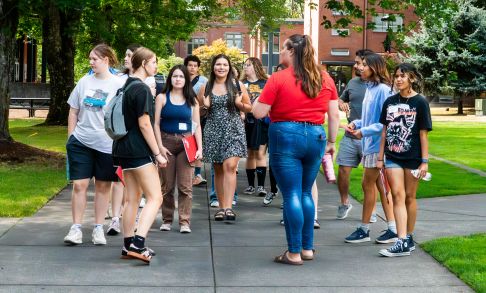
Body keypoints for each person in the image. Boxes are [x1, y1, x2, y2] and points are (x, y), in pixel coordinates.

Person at [253, 34, 339, 265]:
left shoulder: (278, 78)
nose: (280, 52)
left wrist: (255, 101)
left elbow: (259, 112)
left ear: (291, 51)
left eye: (282, 48)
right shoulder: (325, 78)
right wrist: (331, 142)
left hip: (285, 135)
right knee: (305, 192)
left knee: (291, 194)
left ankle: (293, 252)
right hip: (316, 135)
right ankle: (307, 248)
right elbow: (333, 114)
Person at [64, 44, 124, 245]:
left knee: (103, 186)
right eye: (90, 59)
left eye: (94, 59)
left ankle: (98, 228)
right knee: (80, 185)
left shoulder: (117, 85)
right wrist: (71, 138)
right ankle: (76, 229)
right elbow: (73, 110)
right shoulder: (84, 82)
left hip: (107, 145)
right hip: (81, 141)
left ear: (106, 60)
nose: (91, 62)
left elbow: (122, 115)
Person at [112, 47, 167, 264]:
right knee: (156, 197)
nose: (156, 66)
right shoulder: (142, 89)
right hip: (138, 150)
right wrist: (158, 153)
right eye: (153, 62)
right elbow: (145, 124)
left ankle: (127, 245)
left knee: (132, 198)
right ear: (143, 63)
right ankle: (138, 243)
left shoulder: (124, 86)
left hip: (122, 149)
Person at [377, 63, 432, 257]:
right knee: (398, 195)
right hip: (392, 157)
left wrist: (424, 161)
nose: (398, 79)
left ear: (412, 78)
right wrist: (380, 157)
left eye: (403, 76)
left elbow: (423, 134)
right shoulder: (389, 102)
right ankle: (401, 241)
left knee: (410, 196)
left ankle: (408, 237)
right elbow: (384, 132)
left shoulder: (420, 102)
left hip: (413, 158)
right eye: (396, 76)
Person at [344, 53, 397, 244]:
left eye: (364, 65)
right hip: (370, 145)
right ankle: (392, 228)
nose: (360, 68)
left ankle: (365, 229)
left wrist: (363, 131)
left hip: (378, 146)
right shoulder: (370, 88)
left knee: (369, 185)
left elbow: (386, 123)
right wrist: (357, 124)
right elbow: (370, 118)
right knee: (381, 188)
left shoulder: (383, 90)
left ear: (374, 68)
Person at [198, 54, 251, 222]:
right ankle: (221, 207)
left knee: (230, 166)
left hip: (234, 129)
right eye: (218, 64)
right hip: (213, 130)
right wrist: (203, 106)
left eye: (225, 65)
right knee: (218, 169)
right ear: (213, 67)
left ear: (229, 67)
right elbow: (198, 113)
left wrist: (238, 103)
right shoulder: (206, 86)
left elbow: (250, 108)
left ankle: (229, 207)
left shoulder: (237, 84)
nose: (221, 67)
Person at [155, 65, 202, 234]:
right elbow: (155, 124)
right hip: (166, 142)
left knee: (185, 186)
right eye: (175, 76)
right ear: (170, 78)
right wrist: (159, 147)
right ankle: (167, 220)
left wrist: (200, 149)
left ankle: (184, 221)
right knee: (167, 186)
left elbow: (196, 126)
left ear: (186, 80)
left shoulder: (192, 100)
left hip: (186, 143)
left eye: (181, 77)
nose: (178, 79)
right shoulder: (161, 97)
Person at [336, 49, 373, 220]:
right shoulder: (352, 83)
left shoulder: (380, 86)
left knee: (370, 178)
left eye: (359, 63)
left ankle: (370, 209)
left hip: (370, 139)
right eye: (356, 63)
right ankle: (345, 203)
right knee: (343, 170)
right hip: (350, 136)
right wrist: (341, 103)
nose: (356, 66)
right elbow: (340, 99)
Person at [241, 57, 269, 198]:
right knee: (250, 153)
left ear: (256, 67)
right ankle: (251, 185)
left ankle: (261, 187)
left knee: (260, 153)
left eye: (248, 65)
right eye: (244, 65)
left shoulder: (266, 83)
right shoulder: (241, 83)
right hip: (246, 122)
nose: (245, 67)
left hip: (262, 121)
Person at [184, 55, 209, 187]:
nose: (192, 68)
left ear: (198, 68)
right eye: (190, 65)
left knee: (198, 144)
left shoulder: (204, 81)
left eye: (195, 66)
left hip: (199, 115)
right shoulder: (180, 78)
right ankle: (188, 173)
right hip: (182, 116)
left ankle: (197, 174)